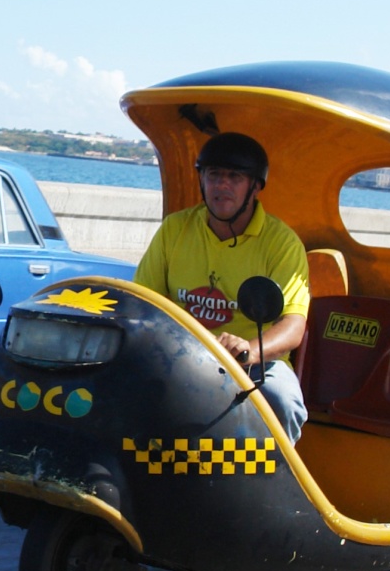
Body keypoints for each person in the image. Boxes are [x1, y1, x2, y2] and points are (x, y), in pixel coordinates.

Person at [133, 132, 310, 440]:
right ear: (202, 181)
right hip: (178, 354)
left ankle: (271, 472)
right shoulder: (175, 229)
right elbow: (142, 302)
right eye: (214, 175)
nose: (222, 185)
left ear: (255, 186)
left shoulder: (282, 243)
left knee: (284, 401)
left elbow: (293, 327)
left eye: (235, 177)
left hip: (254, 364)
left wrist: (248, 351)